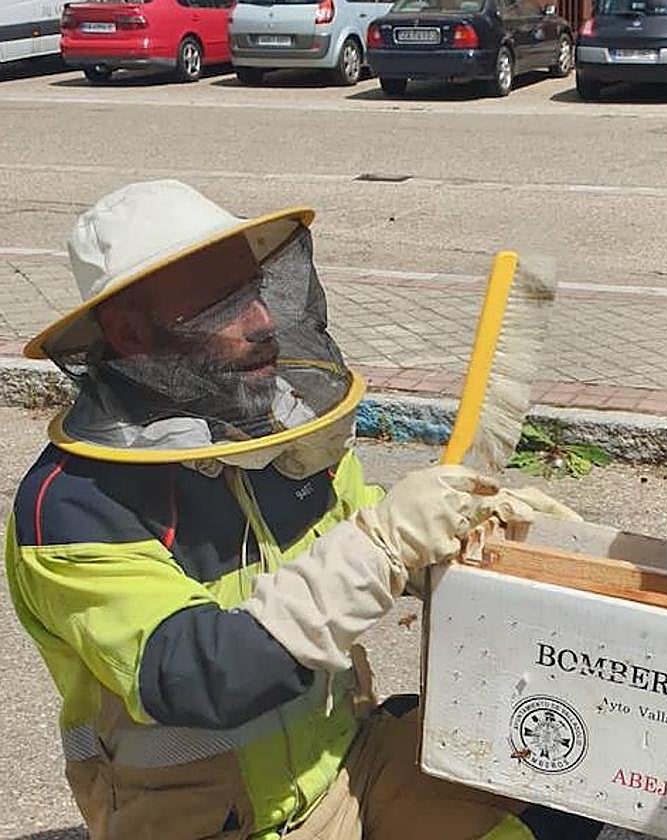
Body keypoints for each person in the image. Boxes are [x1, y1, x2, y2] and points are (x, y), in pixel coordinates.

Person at [4, 180, 603, 840]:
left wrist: (480, 533)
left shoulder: (276, 433)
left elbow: (366, 529)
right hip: (211, 822)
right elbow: (201, 673)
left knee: (558, 775)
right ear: (130, 333)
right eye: (224, 306)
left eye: (256, 289)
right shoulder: (74, 508)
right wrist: (385, 543)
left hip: (345, 762)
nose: (262, 321)